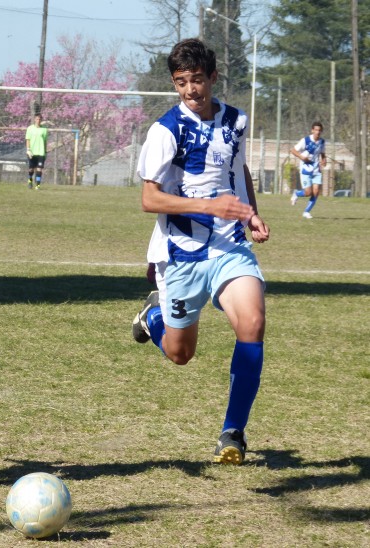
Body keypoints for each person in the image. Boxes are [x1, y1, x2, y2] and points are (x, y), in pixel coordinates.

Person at [131, 39, 270, 465]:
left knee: (253, 321)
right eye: (181, 82)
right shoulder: (165, 131)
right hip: (183, 253)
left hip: (230, 244)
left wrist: (250, 214)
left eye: (197, 80)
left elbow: (238, 168)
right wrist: (210, 205)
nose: (190, 90)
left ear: (212, 77)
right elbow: (150, 200)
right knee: (180, 354)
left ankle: (233, 433)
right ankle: (152, 318)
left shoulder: (235, 121)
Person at [289, 122, 326, 219]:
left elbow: (322, 153)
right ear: (312, 130)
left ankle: (306, 212)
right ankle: (296, 193)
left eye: (319, 130)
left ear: (321, 131)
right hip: (306, 169)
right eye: (316, 130)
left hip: (316, 170)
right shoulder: (305, 140)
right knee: (308, 192)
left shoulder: (322, 142)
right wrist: (302, 157)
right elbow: (293, 150)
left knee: (316, 192)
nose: (317, 132)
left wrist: (324, 160)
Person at [25, 113, 48, 189]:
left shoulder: (44, 129)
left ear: (41, 120)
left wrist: (45, 151)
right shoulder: (30, 128)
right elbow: (28, 139)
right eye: (37, 119)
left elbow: (44, 141)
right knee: (31, 169)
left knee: (39, 169)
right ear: (35, 119)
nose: (38, 120)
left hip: (41, 152)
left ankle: (38, 185)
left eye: (40, 119)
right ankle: (30, 181)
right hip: (32, 152)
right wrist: (28, 149)